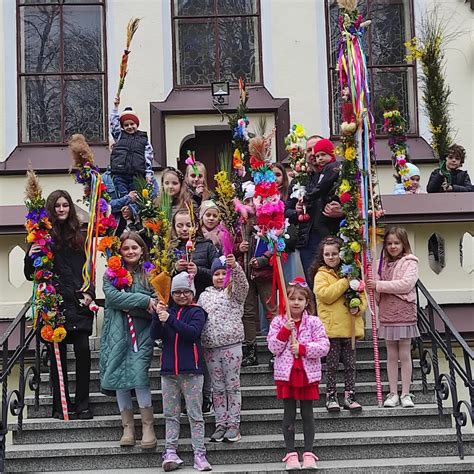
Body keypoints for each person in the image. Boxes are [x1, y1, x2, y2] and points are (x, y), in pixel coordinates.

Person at [24, 190, 95, 420]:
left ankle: (82, 403)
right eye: (57, 206)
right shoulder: (42, 237)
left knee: (83, 350)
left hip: (78, 302)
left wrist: (90, 294)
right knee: (58, 357)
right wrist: (30, 256)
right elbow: (30, 274)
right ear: (51, 209)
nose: (62, 209)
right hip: (54, 304)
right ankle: (60, 405)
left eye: (65, 205)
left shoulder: (79, 235)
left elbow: (88, 271)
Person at [100, 232, 158, 449]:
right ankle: (128, 428)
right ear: (120, 252)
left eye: (135, 247)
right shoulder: (111, 274)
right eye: (126, 248)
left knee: (139, 375)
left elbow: (157, 302)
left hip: (141, 333)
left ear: (142, 249)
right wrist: (143, 301)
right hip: (117, 332)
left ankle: (148, 426)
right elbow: (113, 298)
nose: (131, 251)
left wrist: (140, 305)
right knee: (119, 376)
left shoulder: (150, 273)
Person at [150, 272, 212, 472]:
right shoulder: (167, 310)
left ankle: (200, 454)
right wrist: (156, 317)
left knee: (195, 414)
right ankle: (170, 451)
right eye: (177, 292)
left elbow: (192, 333)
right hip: (169, 372)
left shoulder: (197, 312)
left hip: (192, 371)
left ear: (192, 293)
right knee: (170, 414)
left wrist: (169, 319)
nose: (182, 296)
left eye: (186, 291)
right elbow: (155, 335)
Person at [267, 278, 330, 471]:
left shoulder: (314, 322)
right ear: (286, 301)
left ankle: (309, 453)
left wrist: (302, 348)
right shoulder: (279, 322)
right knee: (289, 413)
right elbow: (273, 348)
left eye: (300, 299)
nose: (296, 302)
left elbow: (324, 346)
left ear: (306, 302)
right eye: (292, 299)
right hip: (286, 375)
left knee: (307, 413)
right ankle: (291, 453)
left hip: (307, 374)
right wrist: (285, 332)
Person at [198, 255, 249, 443]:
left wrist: (234, 267)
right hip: (211, 348)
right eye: (216, 274)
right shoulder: (204, 296)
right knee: (217, 388)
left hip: (231, 346)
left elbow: (243, 284)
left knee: (232, 386)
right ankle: (221, 423)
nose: (220, 277)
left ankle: (234, 424)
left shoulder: (234, 293)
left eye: (223, 273)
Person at [312, 236, 367, 412]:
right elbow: (326, 295)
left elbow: (363, 296)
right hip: (331, 330)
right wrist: (345, 282)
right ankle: (331, 395)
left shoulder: (352, 272)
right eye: (327, 254)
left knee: (350, 365)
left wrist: (358, 308)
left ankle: (350, 395)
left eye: (334, 253)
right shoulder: (321, 275)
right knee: (332, 365)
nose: (331, 257)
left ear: (341, 255)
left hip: (349, 328)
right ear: (322, 256)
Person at [367, 227, 420, 408]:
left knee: (404, 354)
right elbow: (372, 282)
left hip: (404, 311)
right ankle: (393, 393)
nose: (392, 246)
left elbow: (406, 284)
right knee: (391, 354)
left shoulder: (410, 262)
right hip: (387, 312)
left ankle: (405, 393)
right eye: (389, 243)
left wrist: (379, 285)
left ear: (404, 244)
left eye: (396, 243)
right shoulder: (381, 263)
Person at [286, 138, 342, 283]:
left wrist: (342, 211)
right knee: (314, 286)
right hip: (309, 242)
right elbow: (286, 211)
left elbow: (356, 204)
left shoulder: (337, 173)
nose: (313, 154)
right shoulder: (299, 180)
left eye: (316, 151)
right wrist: (296, 211)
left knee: (337, 284)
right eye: (309, 150)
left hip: (334, 238)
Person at [239, 193, 277, 367]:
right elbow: (228, 246)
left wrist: (262, 259)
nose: (250, 204)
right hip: (244, 273)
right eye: (246, 201)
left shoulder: (269, 220)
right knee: (248, 311)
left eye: (252, 200)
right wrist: (238, 247)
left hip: (264, 272)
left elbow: (277, 244)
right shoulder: (237, 222)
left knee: (271, 310)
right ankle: (250, 350)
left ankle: (276, 349)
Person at [109, 96, 154, 198]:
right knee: (124, 197)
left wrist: (148, 174)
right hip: (120, 173)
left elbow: (148, 158)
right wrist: (115, 108)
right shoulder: (120, 136)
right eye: (126, 125)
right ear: (123, 127)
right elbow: (113, 125)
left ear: (136, 124)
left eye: (132, 124)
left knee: (136, 197)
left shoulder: (143, 139)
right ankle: (123, 211)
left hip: (136, 175)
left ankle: (132, 213)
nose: (129, 127)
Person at [171, 208, 220, 300]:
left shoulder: (208, 247)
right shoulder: (170, 250)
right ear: (174, 227)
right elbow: (162, 278)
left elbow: (217, 275)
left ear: (196, 226)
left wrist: (198, 271)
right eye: (180, 226)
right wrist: (175, 269)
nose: (185, 229)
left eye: (189, 225)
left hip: (204, 299)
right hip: (178, 301)